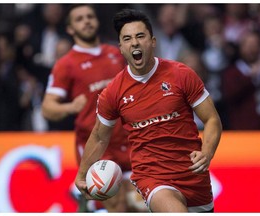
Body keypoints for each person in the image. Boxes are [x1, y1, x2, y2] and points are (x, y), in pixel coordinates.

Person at [75, 8, 222, 213]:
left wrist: (207, 152)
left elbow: (212, 119)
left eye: (140, 36)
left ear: (152, 42)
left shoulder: (181, 74)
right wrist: (82, 175)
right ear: (121, 47)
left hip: (194, 177)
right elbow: (99, 137)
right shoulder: (113, 92)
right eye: (127, 38)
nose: (134, 42)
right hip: (153, 178)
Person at [41, 4, 144, 212]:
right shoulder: (66, 64)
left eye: (90, 16)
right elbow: (47, 108)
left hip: (128, 141)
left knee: (140, 206)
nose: (86, 21)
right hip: (97, 146)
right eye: (79, 19)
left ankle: (86, 207)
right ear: (70, 29)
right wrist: (71, 107)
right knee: (118, 205)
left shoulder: (115, 53)